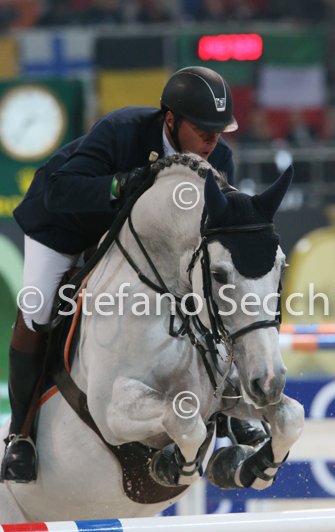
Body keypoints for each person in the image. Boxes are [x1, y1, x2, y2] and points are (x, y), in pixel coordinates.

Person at [1, 65, 268, 484]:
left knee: (210, 303)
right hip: (65, 226)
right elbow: (59, 189)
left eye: (218, 133)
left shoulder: (218, 159)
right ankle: (20, 435)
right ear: (171, 121)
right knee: (37, 308)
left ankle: (230, 415)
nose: (212, 143)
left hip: (136, 244)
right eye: (203, 132)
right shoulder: (122, 130)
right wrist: (119, 185)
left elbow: (213, 232)